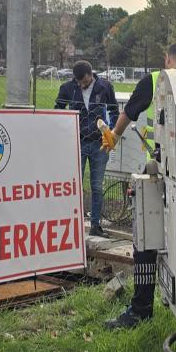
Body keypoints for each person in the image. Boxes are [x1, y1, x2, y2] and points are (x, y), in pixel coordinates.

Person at [102, 43, 176, 329]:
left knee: (146, 242)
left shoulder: (153, 80)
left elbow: (129, 113)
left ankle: (141, 310)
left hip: (159, 176)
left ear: (167, 59)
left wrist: (113, 135)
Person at [55, 60, 119, 237]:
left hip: (100, 144)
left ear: (91, 75)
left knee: (97, 186)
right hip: (77, 143)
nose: (81, 85)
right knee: (74, 185)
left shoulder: (105, 87)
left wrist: (112, 132)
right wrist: (65, 129)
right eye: (78, 82)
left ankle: (96, 225)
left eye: (83, 82)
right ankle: (72, 224)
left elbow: (114, 111)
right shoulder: (68, 88)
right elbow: (57, 110)